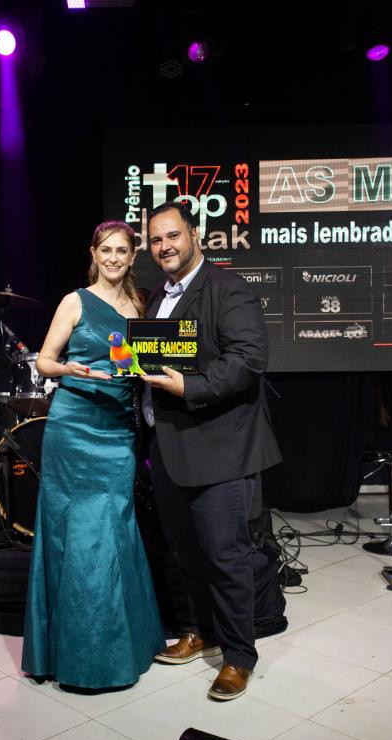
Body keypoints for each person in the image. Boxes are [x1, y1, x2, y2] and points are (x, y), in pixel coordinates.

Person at [141, 202, 281, 701]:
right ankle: (199, 630)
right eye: (156, 240)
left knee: (226, 556)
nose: (165, 247)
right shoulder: (156, 298)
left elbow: (249, 358)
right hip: (168, 447)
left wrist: (190, 386)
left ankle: (239, 656)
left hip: (219, 448)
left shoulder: (227, 287)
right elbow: (151, 361)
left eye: (172, 236)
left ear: (195, 235)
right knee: (186, 552)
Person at [21, 220, 165, 690]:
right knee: (74, 530)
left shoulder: (140, 305)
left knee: (113, 527)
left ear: (133, 256)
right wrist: (70, 369)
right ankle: (75, 655)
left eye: (122, 250)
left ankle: (118, 647)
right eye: (107, 250)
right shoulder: (75, 301)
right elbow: (44, 361)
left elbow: (140, 363)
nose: (114, 258)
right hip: (73, 424)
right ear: (94, 253)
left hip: (117, 429)